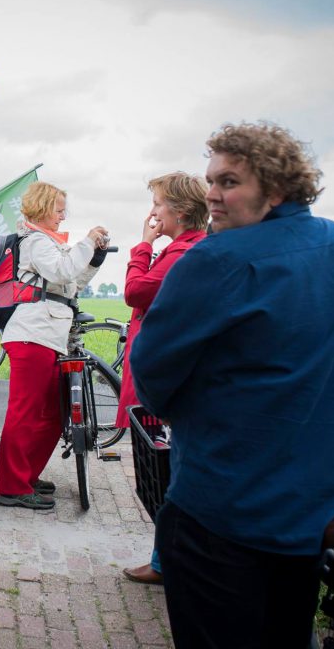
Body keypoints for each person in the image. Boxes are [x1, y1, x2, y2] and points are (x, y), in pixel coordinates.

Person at [131, 122, 334, 648]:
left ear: (276, 189)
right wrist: (328, 362)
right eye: (210, 181)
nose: (211, 195)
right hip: (312, 505)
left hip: (220, 500)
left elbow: (154, 372)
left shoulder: (216, 259)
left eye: (228, 182)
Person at [117, 171, 208, 585]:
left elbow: (137, 292)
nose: (152, 212)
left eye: (158, 204)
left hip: (164, 375)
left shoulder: (179, 253)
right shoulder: (189, 249)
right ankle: (164, 557)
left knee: (168, 466)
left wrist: (144, 245)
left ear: (181, 210)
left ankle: (165, 561)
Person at [0, 181, 109, 509]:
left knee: (52, 414)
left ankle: (25, 475)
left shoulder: (47, 243)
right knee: (26, 412)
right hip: (33, 335)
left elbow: (69, 284)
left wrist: (94, 258)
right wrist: (86, 241)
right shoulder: (34, 242)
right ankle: (12, 486)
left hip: (47, 335)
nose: (62, 216)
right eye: (59, 209)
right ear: (44, 208)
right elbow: (62, 269)